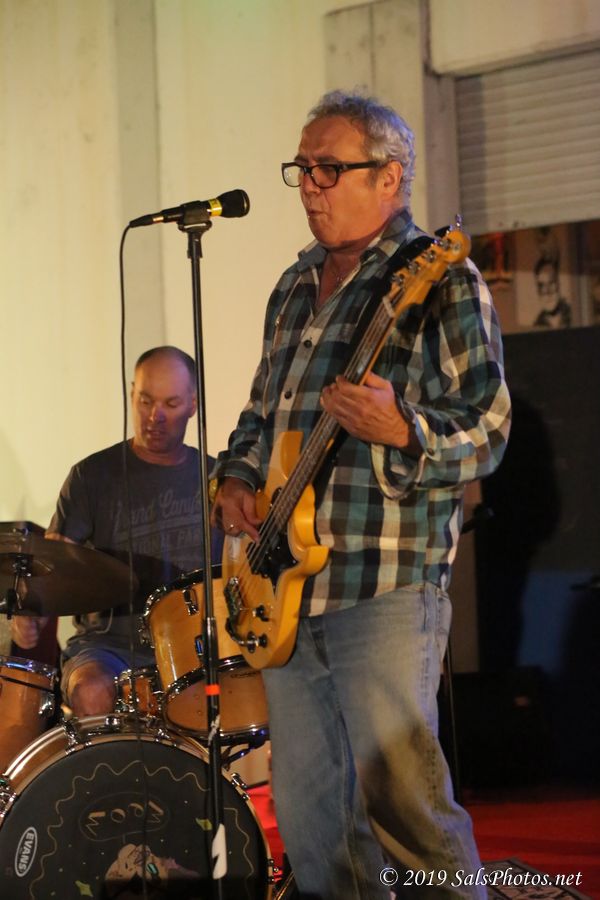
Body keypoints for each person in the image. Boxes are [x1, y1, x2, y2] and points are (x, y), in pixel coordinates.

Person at [211, 90, 511, 899]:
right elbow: (261, 412)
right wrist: (236, 476)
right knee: (315, 831)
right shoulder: (294, 284)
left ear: (390, 177)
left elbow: (487, 429)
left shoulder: (442, 280)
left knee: (407, 810)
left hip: (384, 584)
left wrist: (403, 428)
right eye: (302, 169)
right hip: (286, 592)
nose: (309, 186)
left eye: (329, 168)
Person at [12, 345, 221, 717]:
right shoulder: (91, 476)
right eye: (145, 401)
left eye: (170, 404)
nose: (154, 416)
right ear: (131, 394)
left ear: (193, 404)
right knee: (91, 690)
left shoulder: (218, 480)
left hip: (196, 649)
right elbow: (51, 568)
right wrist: (30, 615)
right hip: (106, 647)